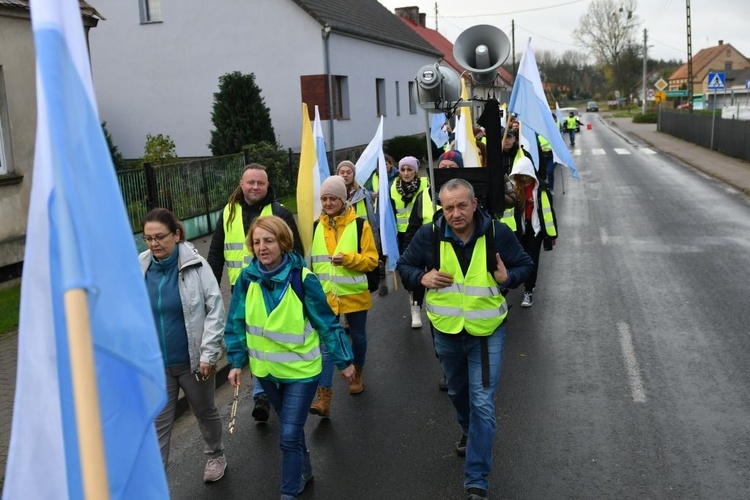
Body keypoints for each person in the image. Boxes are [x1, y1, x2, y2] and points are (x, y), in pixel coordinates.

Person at [396, 179, 534, 500]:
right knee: (458, 391)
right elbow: (404, 266)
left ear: (474, 204)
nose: (455, 213)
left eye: (461, 205)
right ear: (441, 209)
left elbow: (525, 265)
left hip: (486, 333)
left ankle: (476, 480)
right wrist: (422, 277)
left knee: (483, 403)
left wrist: (507, 277)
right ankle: (468, 430)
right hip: (446, 330)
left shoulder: (497, 233)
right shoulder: (430, 235)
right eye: (448, 208)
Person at [225, 215, 356, 499]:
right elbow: (236, 322)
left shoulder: (302, 279)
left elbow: (327, 322)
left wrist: (344, 361)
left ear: (283, 242)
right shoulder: (248, 279)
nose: (262, 247)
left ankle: (288, 493)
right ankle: (304, 472)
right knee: (291, 431)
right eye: (257, 242)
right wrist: (236, 361)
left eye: (268, 241)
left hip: (301, 371)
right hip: (267, 372)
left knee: (286, 436)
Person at [207, 163, 303, 423]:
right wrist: (210, 289)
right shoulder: (228, 212)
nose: (255, 187)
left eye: (260, 183)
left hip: (276, 287)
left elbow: (296, 252)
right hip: (243, 289)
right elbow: (216, 252)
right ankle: (263, 392)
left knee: (271, 339)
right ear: (241, 184)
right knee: (253, 341)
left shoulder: (279, 212)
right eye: (250, 182)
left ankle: (271, 387)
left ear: (267, 185)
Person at [139, 208, 227, 483]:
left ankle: (215, 454)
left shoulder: (197, 266)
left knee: (205, 412)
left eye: (160, 237)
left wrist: (209, 353)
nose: (154, 244)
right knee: (158, 424)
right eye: (148, 238)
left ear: (176, 235)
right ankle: (155, 481)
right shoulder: (140, 266)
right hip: (157, 365)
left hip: (193, 361)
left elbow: (215, 308)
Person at [308, 176, 379, 416]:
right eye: (324, 199)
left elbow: (372, 261)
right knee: (327, 344)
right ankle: (324, 397)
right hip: (327, 297)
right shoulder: (317, 226)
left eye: (332, 198)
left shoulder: (360, 225)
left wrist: (347, 259)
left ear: (343, 199)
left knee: (357, 337)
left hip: (354, 295)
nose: (327, 203)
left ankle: (357, 373)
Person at [390, 155, 434, 328]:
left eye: (409, 169)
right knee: (410, 272)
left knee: (430, 271)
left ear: (416, 171)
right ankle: (414, 302)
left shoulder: (426, 185)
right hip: (403, 234)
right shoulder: (393, 187)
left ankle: (423, 307)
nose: (406, 173)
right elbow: (390, 213)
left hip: (423, 234)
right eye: (403, 169)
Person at [509, 156, 558, 308]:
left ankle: (528, 291)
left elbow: (549, 211)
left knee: (532, 260)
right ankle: (522, 282)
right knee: (518, 260)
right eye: (520, 175)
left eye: (526, 175)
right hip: (519, 229)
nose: (523, 179)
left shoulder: (541, 188)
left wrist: (552, 234)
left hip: (535, 230)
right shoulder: (514, 189)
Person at [367, 154, 398, 296]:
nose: (384, 167)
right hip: (378, 215)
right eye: (381, 165)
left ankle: (398, 263)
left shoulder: (396, 177)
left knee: (392, 240)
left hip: (392, 215)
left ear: (391, 164)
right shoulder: (374, 178)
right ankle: (381, 265)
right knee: (380, 241)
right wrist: (372, 194)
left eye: (387, 164)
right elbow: (366, 191)